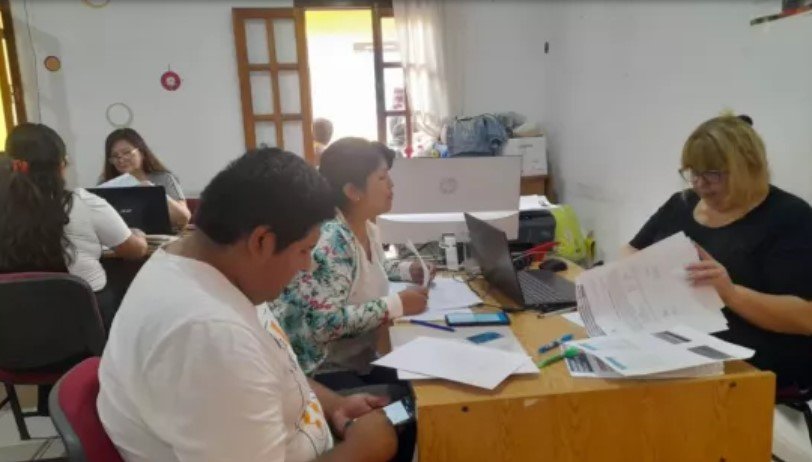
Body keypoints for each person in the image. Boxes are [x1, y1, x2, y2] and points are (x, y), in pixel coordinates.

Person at [98, 148, 399, 462]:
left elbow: (280, 370)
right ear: (261, 242)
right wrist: (367, 448)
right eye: (304, 250)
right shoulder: (211, 334)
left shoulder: (200, 264)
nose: (308, 266)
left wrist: (336, 405)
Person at [623, 115, 812, 389]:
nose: (700, 184)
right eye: (693, 172)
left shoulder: (790, 217)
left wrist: (730, 293)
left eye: (713, 174)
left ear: (750, 167)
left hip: (753, 372)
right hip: (676, 351)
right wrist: (644, 275)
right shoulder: (681, 204)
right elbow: (630, 250)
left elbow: (806, 318)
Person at [262, 138, 431, 385]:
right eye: (382, 177)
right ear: (353, 191)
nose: (391, 184)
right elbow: (325, 323)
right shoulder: (331, 239)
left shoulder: (366, 228)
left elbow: (366, 270)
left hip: (358, 361)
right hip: (322, 373)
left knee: (424, 372)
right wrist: (397, 304)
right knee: (422, 387)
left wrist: (408, 270)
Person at [0, 123, 148, 330]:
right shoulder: (83, 202)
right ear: (61, 165)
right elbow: (135, 251)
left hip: (13, 328)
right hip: (82, 325)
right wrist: (138, 235)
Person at [102, 128, 191, 229]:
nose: (121, 159)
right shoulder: (105, 184)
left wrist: (155, 192)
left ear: (142, 152)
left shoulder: (163, 178)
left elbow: (183, 219)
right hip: (120, 237)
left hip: (159, 236)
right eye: (115, 156)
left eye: (126, 152)